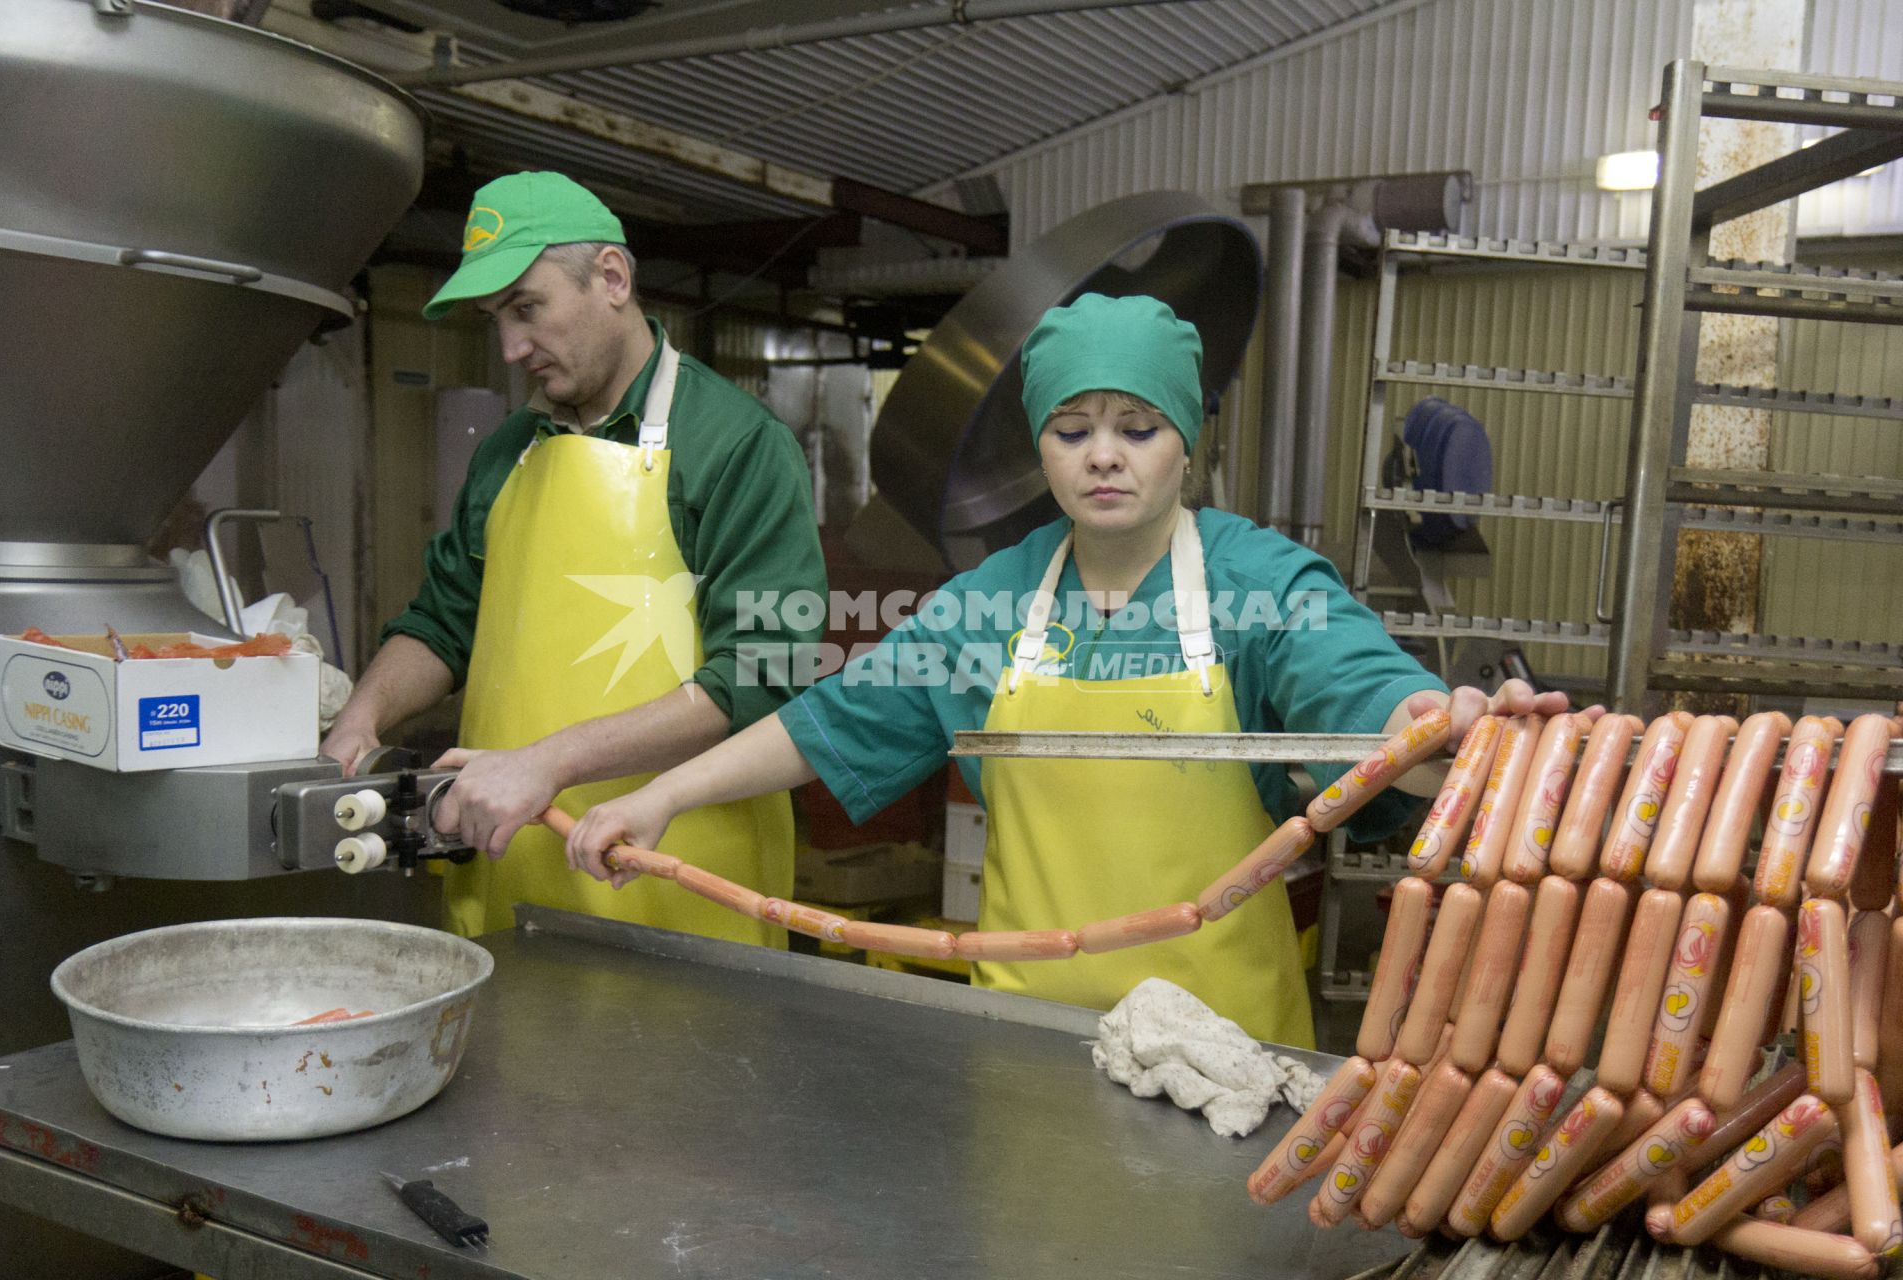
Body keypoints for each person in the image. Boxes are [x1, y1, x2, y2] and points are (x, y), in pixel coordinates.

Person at [562, 293, 1575, 1046]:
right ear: (1039, 448)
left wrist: (1453, 733)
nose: (1104, 456)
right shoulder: (993, 601)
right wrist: (664, 795)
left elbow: (1370, 699)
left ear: (1187, 442)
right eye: (1070, 429)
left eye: (1138, 429)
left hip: (1223, 1052)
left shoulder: (1260, 582)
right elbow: (830, 721)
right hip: (1034, 1052)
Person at [321, 171, 826, 943]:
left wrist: (549, 762)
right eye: (498, 319)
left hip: (677, 887)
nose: (512, 347)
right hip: (509, 872)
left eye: (528, 308)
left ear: (612, 277)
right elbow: (444, 622)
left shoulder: (736, 447)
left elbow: (762, 678)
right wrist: (365, 712)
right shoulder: (507, 453)